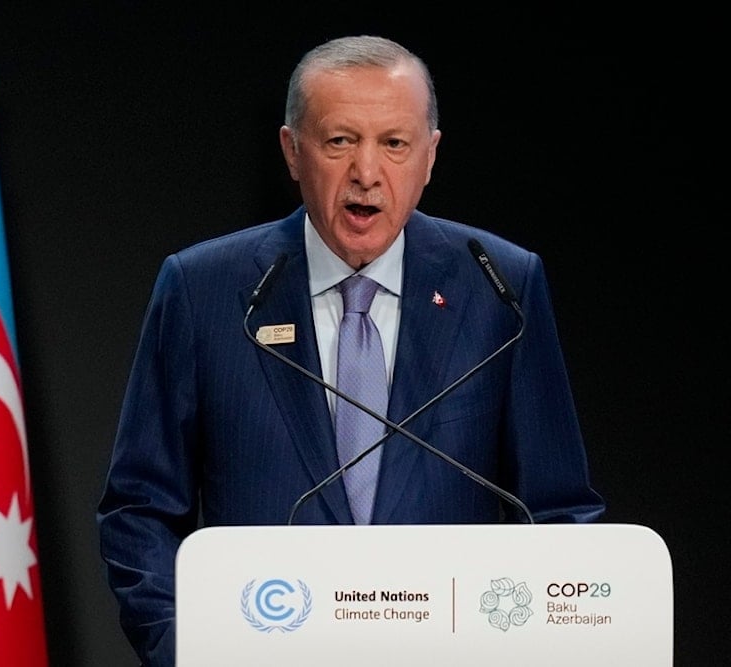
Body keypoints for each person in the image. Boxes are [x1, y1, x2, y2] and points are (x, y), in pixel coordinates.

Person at [97, 34, 605, 666]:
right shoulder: (205, 289)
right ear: (291, 151)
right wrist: (184, 649)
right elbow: (138, 509)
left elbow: (558, 511)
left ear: (429, 156)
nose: (367, 172)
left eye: (394, 144)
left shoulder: (499, 287)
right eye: (340, 142)